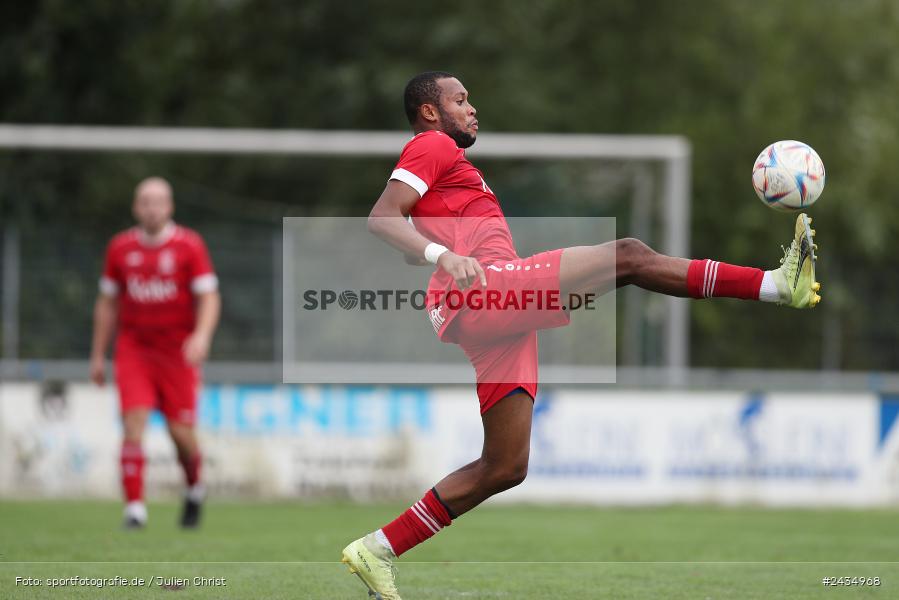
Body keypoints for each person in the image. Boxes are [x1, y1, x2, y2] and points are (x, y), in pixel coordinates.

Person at [341, 71, 820, 599]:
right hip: (483, 295)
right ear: (430, 112)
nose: (472, 107)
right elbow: (382, 218)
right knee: (631, 256)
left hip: (489, 311)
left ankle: (377, 548)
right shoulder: (431, 143)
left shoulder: (448, 166)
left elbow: (412, 235)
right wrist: (446, 255)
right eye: (460, 100)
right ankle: (776, 286)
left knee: (505, 466)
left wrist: (436, 246)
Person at [89, 177, 221, 529]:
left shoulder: (189, 246)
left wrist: (202, 335)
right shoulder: (120, 248)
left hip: (177, 352)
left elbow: (209, 296)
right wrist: (98, 354)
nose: (151, 208)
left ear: (170, 207)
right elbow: (107, 302)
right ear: (136, 207)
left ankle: (194, 488)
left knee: (181, 435)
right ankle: (135, 510)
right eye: (145, 202)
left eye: (158, 201)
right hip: (134, 349)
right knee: (133, 424)